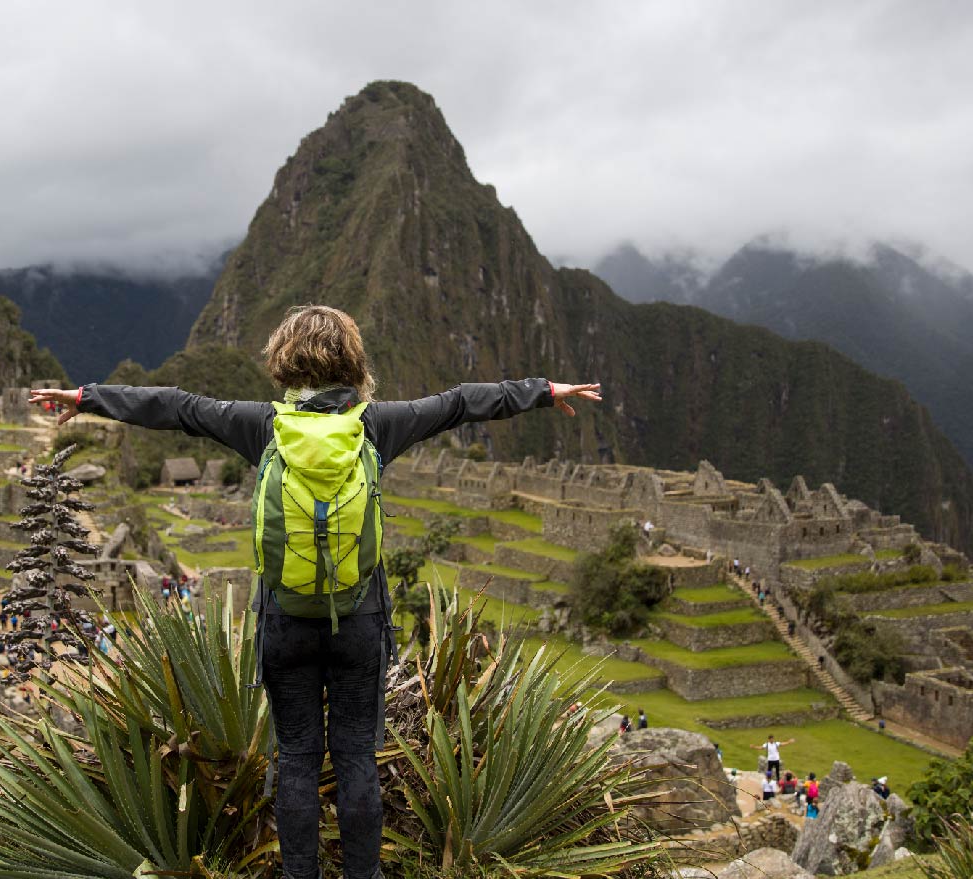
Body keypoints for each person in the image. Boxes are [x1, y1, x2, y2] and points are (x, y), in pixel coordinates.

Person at [31, 304, 600, 879]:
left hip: (285, 619)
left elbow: (178, 408)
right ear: (353, 364)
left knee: (297, 758)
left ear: (283, 362)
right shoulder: (377, 425)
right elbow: (458, 403)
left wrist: (87, 397)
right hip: (359, 617)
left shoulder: (262, 426)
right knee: (356, 756)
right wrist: (542, 391)